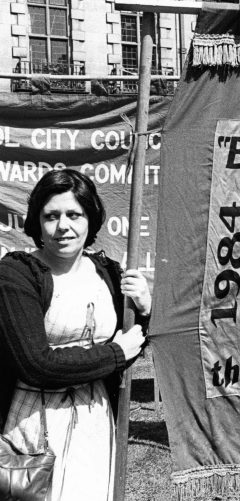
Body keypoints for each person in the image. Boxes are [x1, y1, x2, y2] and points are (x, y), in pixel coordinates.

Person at [0, 169, 149, 501]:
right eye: (52, 216)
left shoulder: (108, 272)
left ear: (90, 219)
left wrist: (143, 309)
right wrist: (113, 355)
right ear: (37, 222)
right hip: (35, 421)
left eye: (74, 214)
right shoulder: (16, 274)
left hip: (95, 417)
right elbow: (37, 363)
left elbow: (133, 341)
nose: (63, 226)